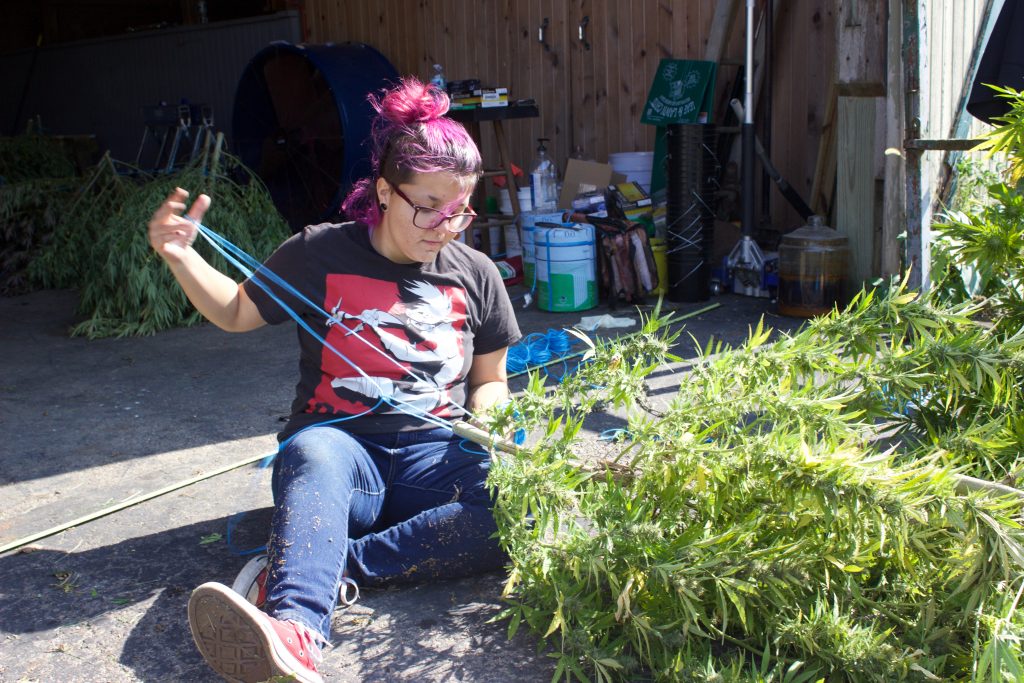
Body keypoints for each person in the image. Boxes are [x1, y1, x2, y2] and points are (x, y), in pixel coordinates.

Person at [147, 77, 521, 683]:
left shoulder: (476, 272)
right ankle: (293, 630)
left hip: (435, 454)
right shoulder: (319, 252)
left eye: (458, 211)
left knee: (517, 506)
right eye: (426, 206)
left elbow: (491, 378)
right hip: (342, 450)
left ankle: (329, 563)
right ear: (383, 190)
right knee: (312, 454)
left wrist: (491, 414)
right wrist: (182, 257)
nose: (442, 225)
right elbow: (237, 312)